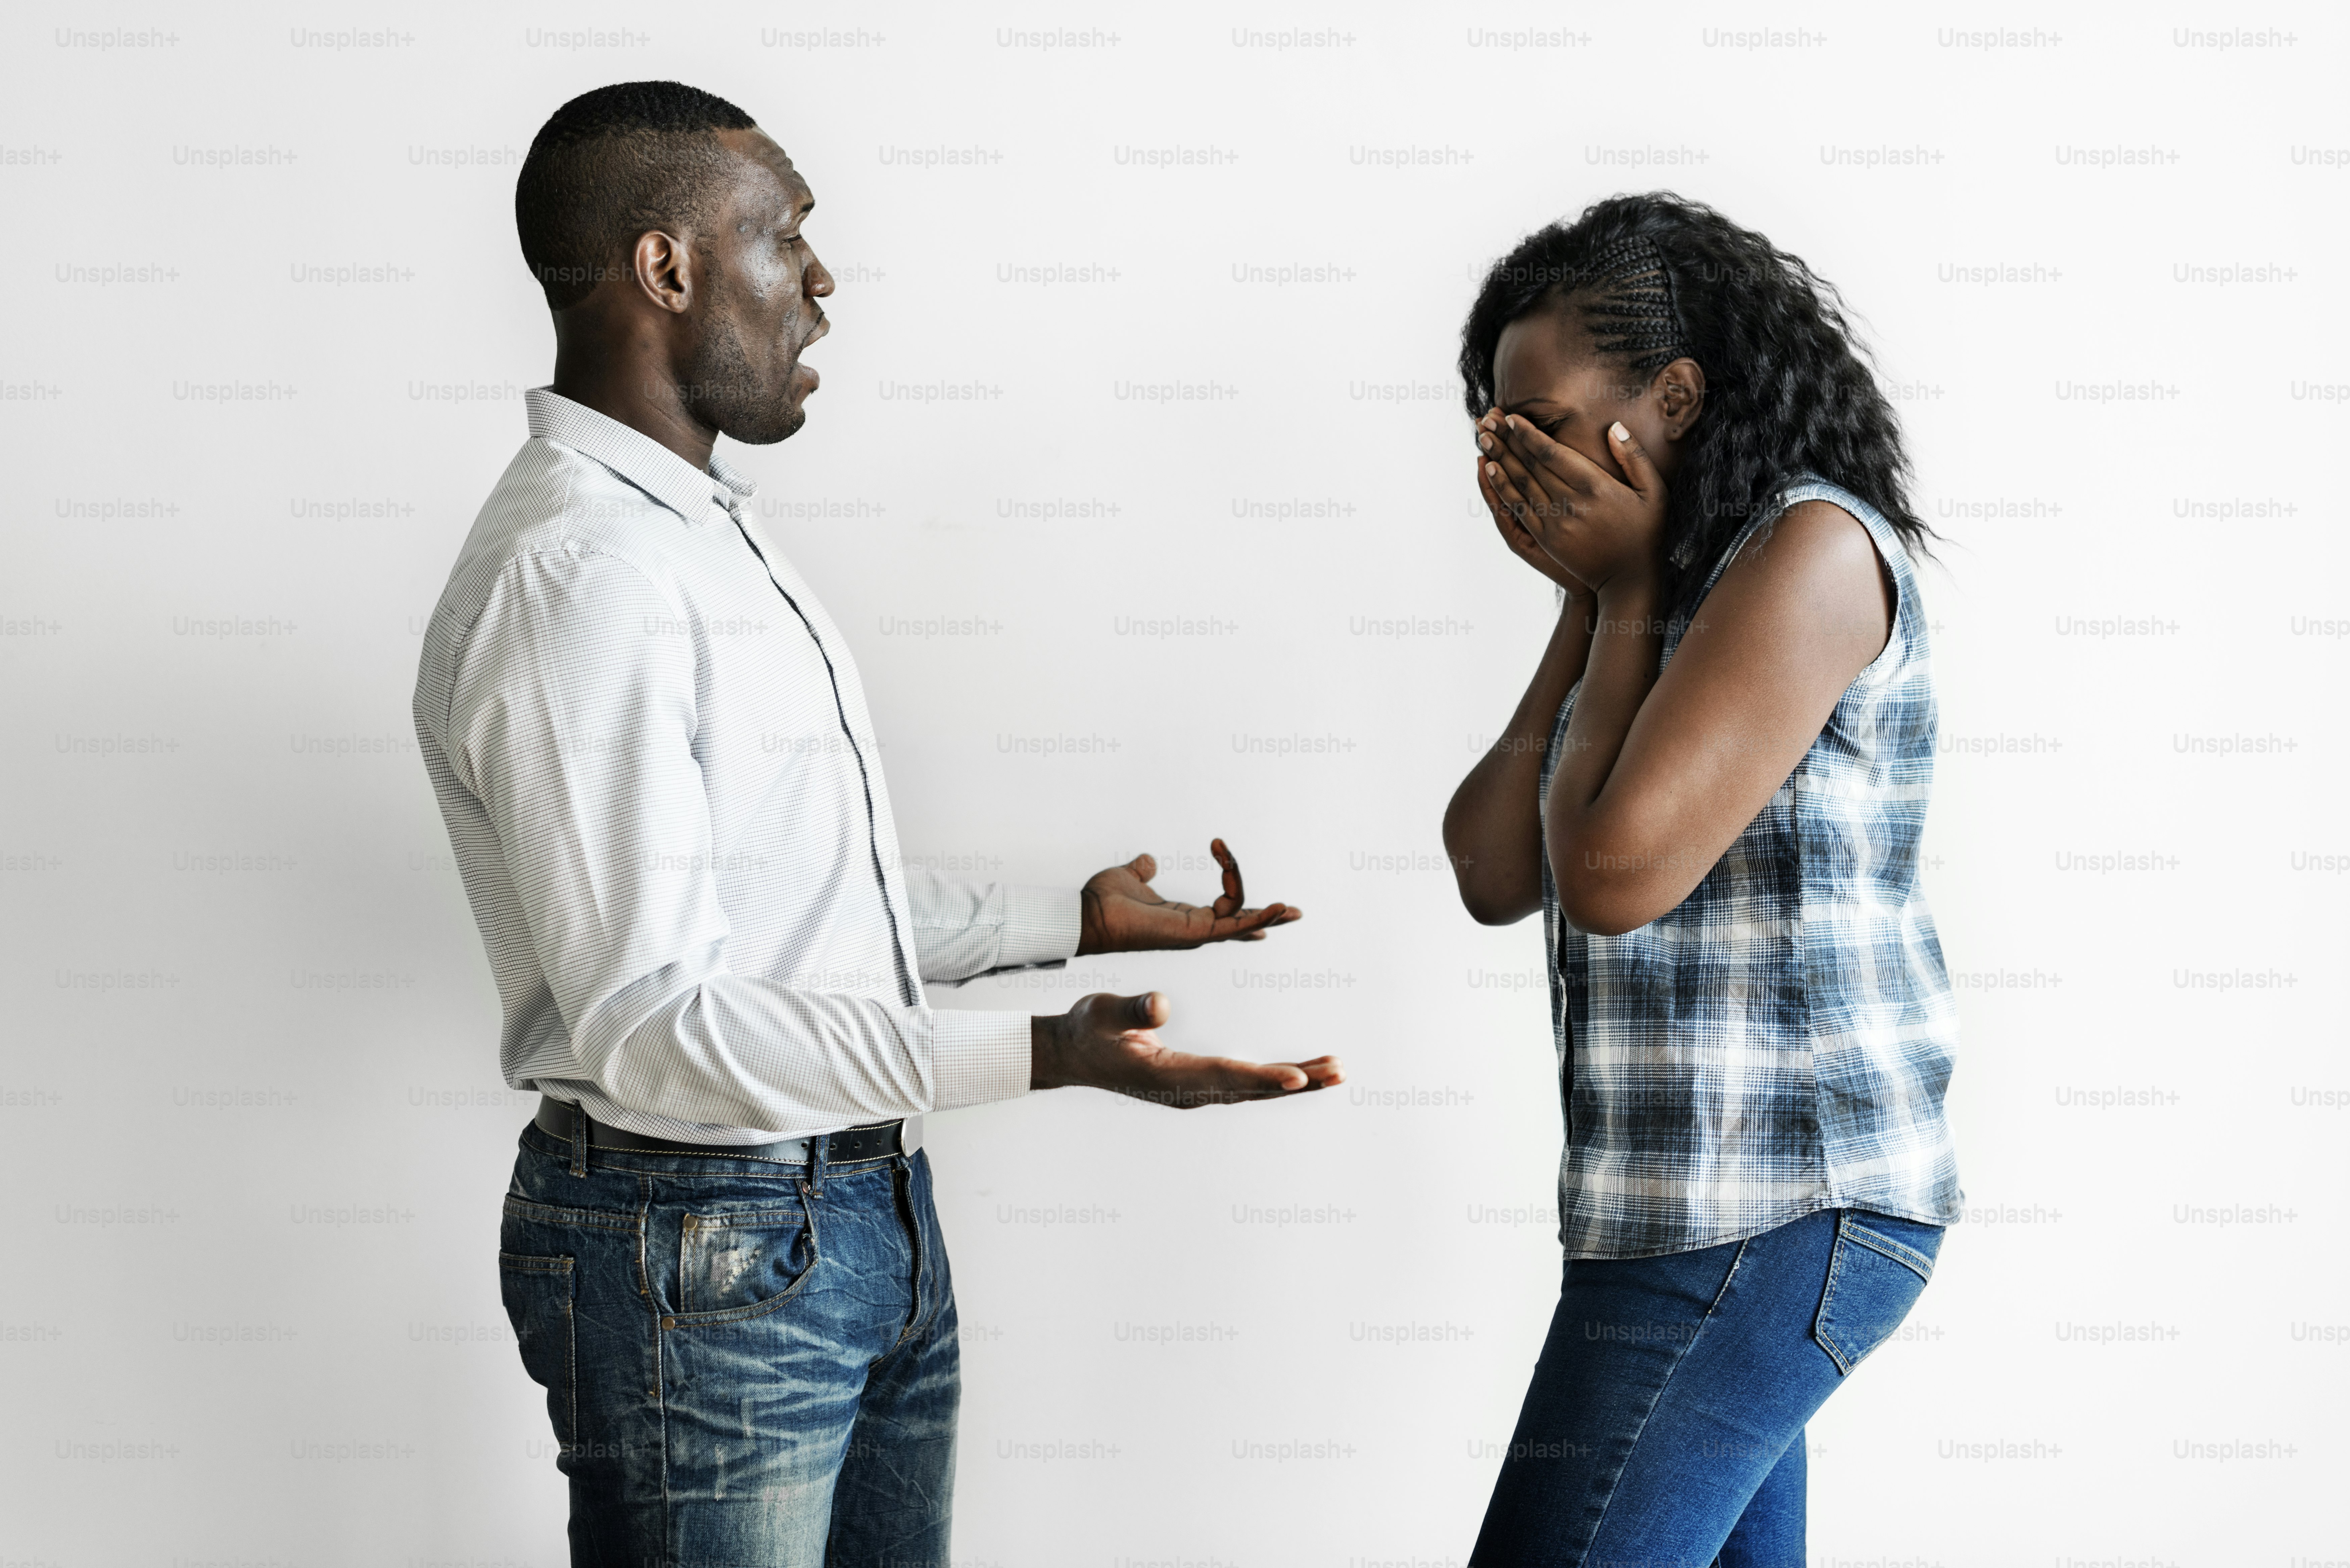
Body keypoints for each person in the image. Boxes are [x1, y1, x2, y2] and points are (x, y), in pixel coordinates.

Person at [411, 81, 1342, 1567]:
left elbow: (788, 907)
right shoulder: (581, 576)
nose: (821, 285)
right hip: (699, 1249)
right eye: (785, 238)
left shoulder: (696, 538)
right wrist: (1045, 1052)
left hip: (853, 1215)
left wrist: (1072, 920)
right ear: (666, 270)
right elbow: (658, 1021)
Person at [1442, 193, 1961, 1565]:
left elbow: (1609, 876)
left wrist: (1621, 597)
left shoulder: (1807, 551)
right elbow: (1498, 866)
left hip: (1770, 1206)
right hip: (1672, 1213)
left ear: (1673, 395)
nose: (1511, 462)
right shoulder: (1654, 590)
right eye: (1493, 433)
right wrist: (1590, 595)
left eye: (1537, 423)